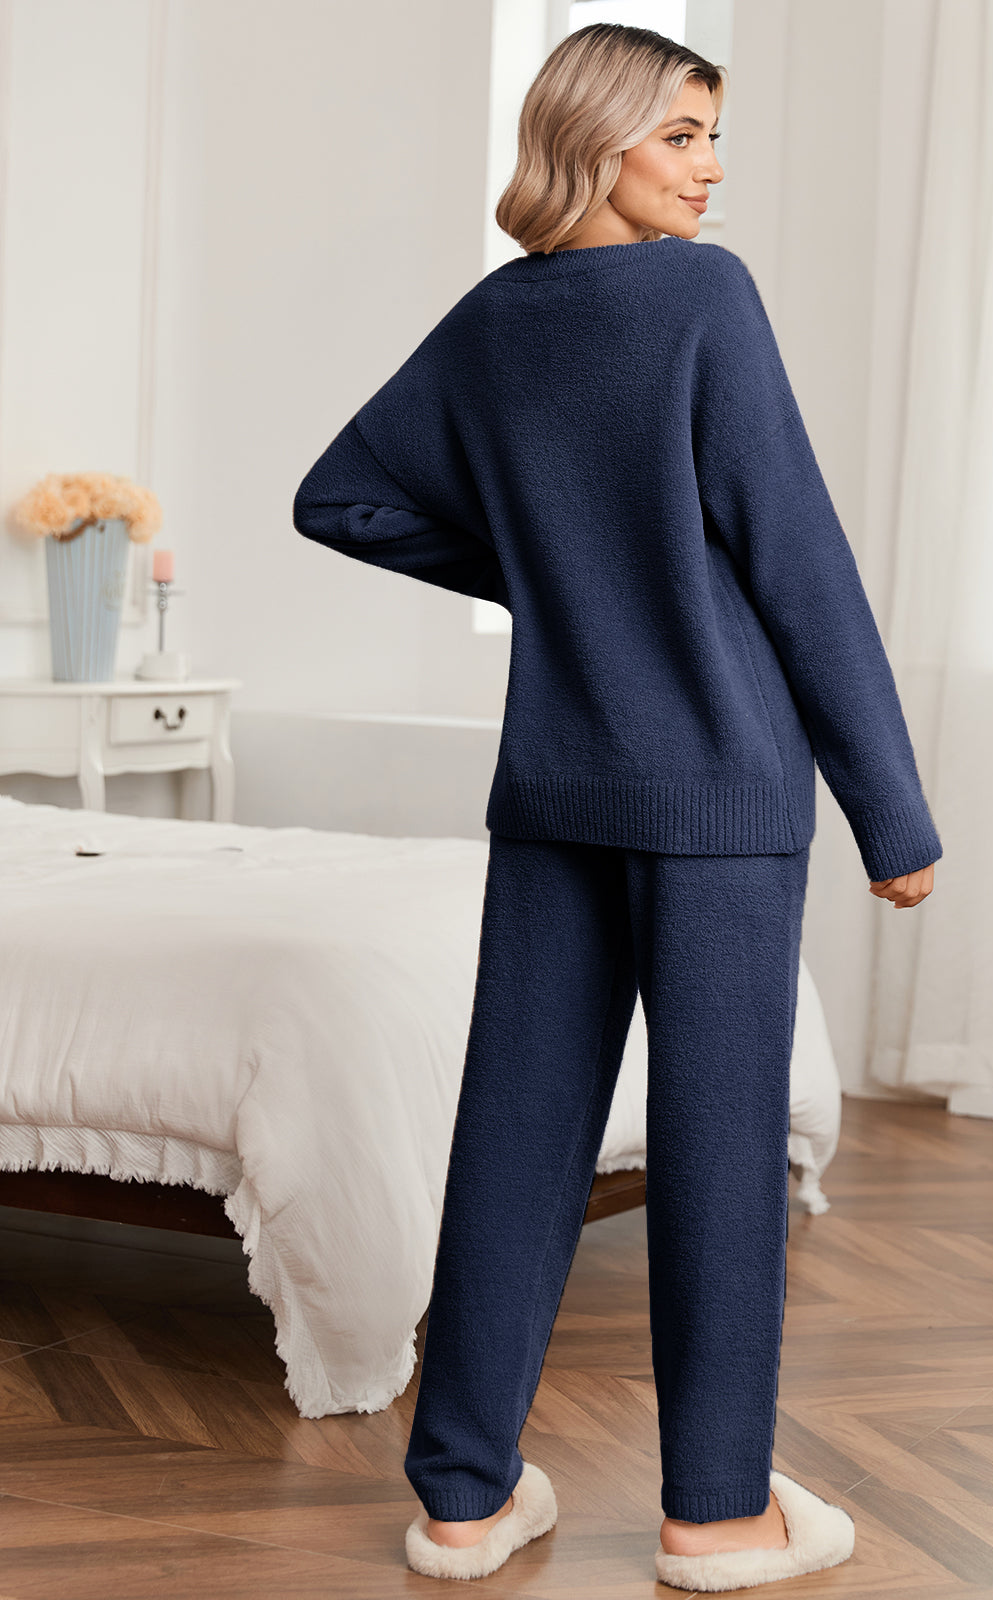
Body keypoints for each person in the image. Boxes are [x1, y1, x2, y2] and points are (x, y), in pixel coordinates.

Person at [292, 22, 940, 1592]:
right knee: (719, 1156)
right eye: (682, 135)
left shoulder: (495, 320)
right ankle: (717, 1514)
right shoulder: (704, 297)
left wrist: (558, 572)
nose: (711, 168)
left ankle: (462, 1499)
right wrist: (894, 813)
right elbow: (798, 560)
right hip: (719, 788)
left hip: (556, 787)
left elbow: (339, 498)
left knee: (516, 1139)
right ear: (598, 142)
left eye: (713, 136)